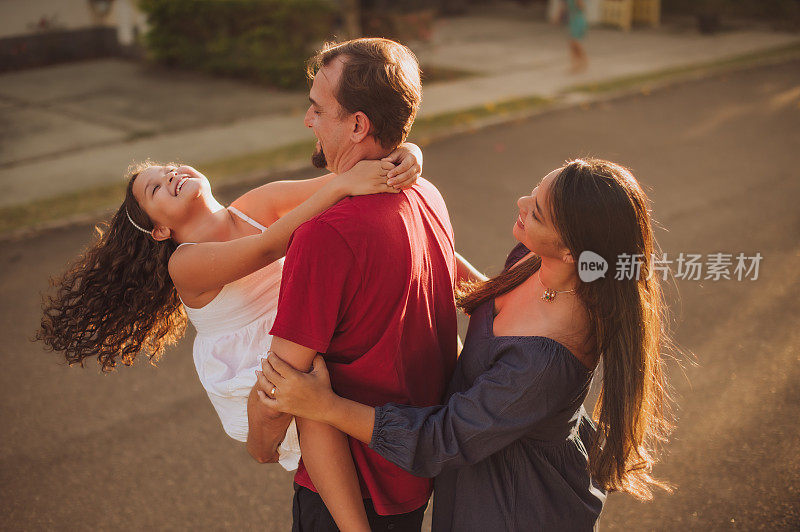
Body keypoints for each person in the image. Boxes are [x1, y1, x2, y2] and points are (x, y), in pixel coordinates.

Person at [256, 158, 677, 531]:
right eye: (535, 190)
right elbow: (477, 291)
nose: (521, 202)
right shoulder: (536, 260)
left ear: (571, 251)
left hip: (513, 505)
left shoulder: (547, 361)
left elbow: (443, 440)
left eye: (537, 211)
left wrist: (324, 406)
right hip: (477, 465)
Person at [37, 144, 424, 531]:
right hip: (252, 359)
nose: (171, 174)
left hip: (299, 325)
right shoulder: (184, 263)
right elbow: (268, 245)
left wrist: (408, 152)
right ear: (159, 230)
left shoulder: (254, 203)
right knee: (303, 393)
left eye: (170, 166)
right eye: (155, 188)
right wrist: (344, 186)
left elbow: (340, 181)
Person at [244, 38, 459, 532]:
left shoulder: (326, 236)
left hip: (350, 496)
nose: (308, 120)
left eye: (318, 109)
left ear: (358, 124)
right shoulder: (426, 192)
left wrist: (260, 443)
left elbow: (285, 381)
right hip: (411, 476)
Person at [560, 0, 588, 73]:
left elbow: (582, 7)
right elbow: (564, 7)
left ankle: (583, 61)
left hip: (578, 20)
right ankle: (576, 64)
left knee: (575, 42)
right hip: (572, 20)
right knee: (571, 44)